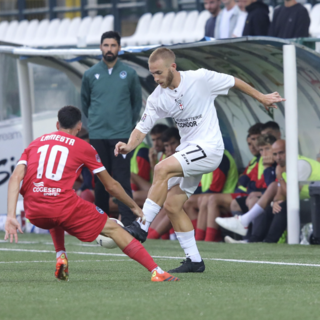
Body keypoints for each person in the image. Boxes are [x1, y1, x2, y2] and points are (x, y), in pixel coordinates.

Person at [115, 47, 285, 273]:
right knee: (172, 205)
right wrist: (128, 145)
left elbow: (234, 81)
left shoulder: (200, 78)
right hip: (190, 152)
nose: (155, 79)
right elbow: (141, 127)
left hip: (210, 149)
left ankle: (142, 225)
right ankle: (194, 260)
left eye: (158, 73)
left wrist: (261, 97)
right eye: (152, 74)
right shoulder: (158, 97)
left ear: (172, 67)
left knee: (161, 167)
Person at [4, 106, 178, 283]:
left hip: (34, 211)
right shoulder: (83, 147)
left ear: (57, 124)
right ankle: (156, 271)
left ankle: (61, 256)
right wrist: (133, 207)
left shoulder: (35, 143)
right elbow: (110, 185)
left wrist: (11, 215)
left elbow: (15, 178)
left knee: (52, 212)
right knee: (114, 229)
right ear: (79, 126)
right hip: (62, 207)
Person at [81, 31, 142, 226]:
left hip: (122, 135)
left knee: (122, 179)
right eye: (106, 45)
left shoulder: (130, 74)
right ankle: (101, 222)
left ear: (119, 48)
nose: (109, 49)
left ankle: (129, 221)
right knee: (100, 180)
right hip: (98, 134)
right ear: (100, 47)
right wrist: (97, 122)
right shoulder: (90, 74)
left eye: (113, 45)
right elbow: (85, 103)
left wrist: (125, 125)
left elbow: (136, 103)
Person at [184, 149, 238, 242]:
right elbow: (198, 187)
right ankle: (197, 237)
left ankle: (208, 239)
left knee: (206, 199)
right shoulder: (205, 157)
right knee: (185, 201)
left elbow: (216, 189)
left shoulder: (221, 157)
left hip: (225, 196)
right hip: (210, 195)